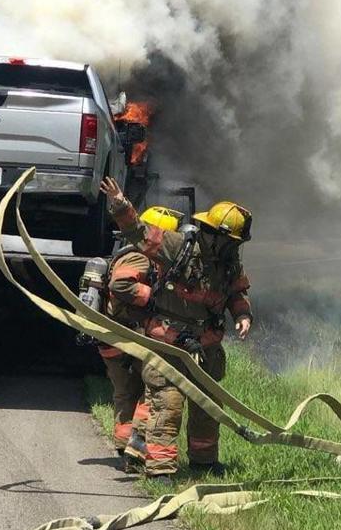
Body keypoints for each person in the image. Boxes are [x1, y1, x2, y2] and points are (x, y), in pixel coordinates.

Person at [100, 177, 253, 477]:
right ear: (214, 235)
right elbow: (139, 233)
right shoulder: (178, 247)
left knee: (208, 408)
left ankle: (204, 463)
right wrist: (120, 205)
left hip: (206, 348)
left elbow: (237, 292)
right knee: (166, 406)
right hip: (169, 344)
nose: (234, 248)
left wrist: (243, 315)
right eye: (231, 242)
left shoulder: (230, 263)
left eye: (237, 244)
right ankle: (160, 470)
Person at [100, 206, 183, 472]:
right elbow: (120, 285)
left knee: (126, 393)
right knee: (151, 392)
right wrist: (155, 297)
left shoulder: (127, 252)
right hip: (128, 336)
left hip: (115, 336)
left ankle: (125, 450)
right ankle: (135, 453)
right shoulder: (140, 257)